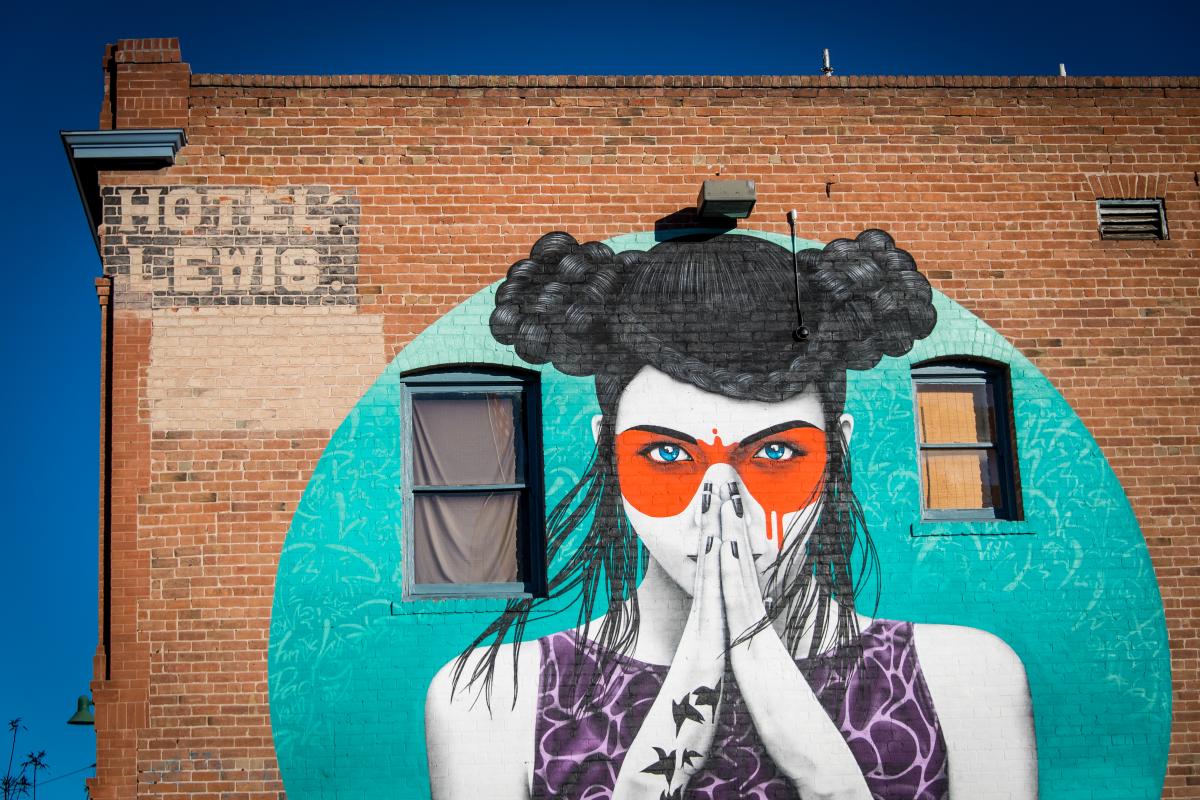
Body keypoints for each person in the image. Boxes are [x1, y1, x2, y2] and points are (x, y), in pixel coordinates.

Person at [425, 230, 1037, 800]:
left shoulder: (963, 677)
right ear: (607, 454)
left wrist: (825, 770)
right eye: (667, 453)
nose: (723, 506)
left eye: (774, 452)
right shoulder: (495, 696)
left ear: (837, 449)